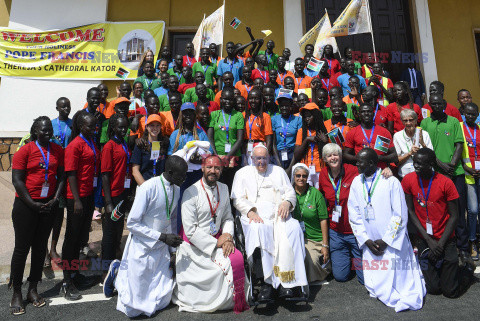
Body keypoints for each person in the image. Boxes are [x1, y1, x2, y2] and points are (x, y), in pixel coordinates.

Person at [102, 156, 188, 317]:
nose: (185, 178)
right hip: (143, 245)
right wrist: (162, 237)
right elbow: (132, 224)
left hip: (161, 248)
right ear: (170, 172)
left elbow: (172, 219)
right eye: (182, 175)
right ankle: (117, 274)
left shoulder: (176, 189)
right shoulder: (148, 188)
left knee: (164, 298)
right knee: (134, 308)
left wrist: (172, 248)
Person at [348, 148, 426, 311]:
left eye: (360, 161)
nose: (357, 164)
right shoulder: (356, 182)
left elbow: (399, 214)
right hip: (370, 241)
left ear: (371, 163)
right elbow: (353, 213)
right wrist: (366, 240)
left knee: (398, 278)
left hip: (390, 242)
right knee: (373, 281)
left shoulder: (390, 181)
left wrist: (386, 240)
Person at [231, 144, 308, 302]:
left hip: (278, 215)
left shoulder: (278, 171)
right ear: (252, 159)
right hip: (255, 215)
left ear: (269, 158)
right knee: (259, 229)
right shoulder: (242, 173)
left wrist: (287, 202)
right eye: (258, 158)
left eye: (264, 158)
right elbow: (237, 198)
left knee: (293, 228)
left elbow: (290, 192)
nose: (261, 161)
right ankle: (267, 283)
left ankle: (289, 283)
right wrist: (250, 211)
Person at [173, 155, 249, 313]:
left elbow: (228, 217)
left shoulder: (224, 188)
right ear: (202, 168)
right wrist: (216, 243)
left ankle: (234, 299)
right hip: (194, 246)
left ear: (221, 170)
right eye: (209, 167)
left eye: (217, 168)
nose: (212, 171)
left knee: (236, 259)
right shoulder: (190, 192)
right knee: (222, 267)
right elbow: (190, 230)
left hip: (220, 239)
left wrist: (227, 237)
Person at [10, 116, 65, 315]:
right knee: (21, 249)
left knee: (40, 247)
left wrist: (56, 198)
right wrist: (32, 203)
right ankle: (16, 292)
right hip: (26, 206)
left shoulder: (58, 150)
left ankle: (33, 289)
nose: (48, 133)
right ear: (35, 131)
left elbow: (61, 177)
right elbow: (17, 180)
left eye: (50, 129)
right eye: (44, 130)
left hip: (47, 205)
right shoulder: (25, 150)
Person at [402, 148, 473, 297]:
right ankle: (442, 269)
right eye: (415, 163)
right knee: (434, 289)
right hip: (424, 238)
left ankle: (466, 271)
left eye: (420, 164)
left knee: (450, 292)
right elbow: (410, 211)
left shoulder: (446, 183)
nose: (416, 166)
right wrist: (428, 240)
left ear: (432, 164)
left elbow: (454, 216)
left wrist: (440, 244)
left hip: (446, 239)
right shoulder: (408, 180)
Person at [420, 93, 472, 266]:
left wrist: (451, 165)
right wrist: (440, 165)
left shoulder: (453, 122)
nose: (436, 105)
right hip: (435, 173)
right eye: (432, 103)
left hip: (455, 173)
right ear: (429, 105)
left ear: (444, 103)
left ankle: (464, 249)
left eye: (439, 102)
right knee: (441, 213)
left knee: (459, 211)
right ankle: (445, 247)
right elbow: (425, 147)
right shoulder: (425, 123)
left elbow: (459, 144)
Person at [62, 112, 100, 300]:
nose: (93, 129)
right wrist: (76, 199)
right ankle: (67, 280)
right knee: (72, 238)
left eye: (95, 126)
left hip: (88, 195)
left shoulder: (91, 141)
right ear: (80, 126)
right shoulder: (75, 145)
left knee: (81, 238)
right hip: (76, 198)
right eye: (89, 127)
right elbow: (70, 174)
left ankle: (76, 274)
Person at [318, 144, 364, 284]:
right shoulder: (323, 174)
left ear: (341, 156)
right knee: (341, 276)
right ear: (325, 159)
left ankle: (355, 259)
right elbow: (323, 200)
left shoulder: (353, 171)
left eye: (335, 154)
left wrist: (385, 170)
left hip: (354, 231)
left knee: (365, 280)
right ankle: (348, 259)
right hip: (336, 232)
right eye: (329, 155)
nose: (333, 158)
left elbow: (371, 175)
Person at [101, 114, 132, 279]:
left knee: (118, 231)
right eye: (120, 127)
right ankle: (105, 271)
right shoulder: (109, 146)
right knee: (109, 235)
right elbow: (105, 175)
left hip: (122, 193)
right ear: (113, 127)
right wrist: (108, 202)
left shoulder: (124, 143)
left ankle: (113, 265)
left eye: (125, 126)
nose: (123, 129)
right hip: (112, 195)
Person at [291, 163, 330, 283]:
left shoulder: (315, 194)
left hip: (313, 239)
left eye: (304, 176)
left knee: (310, 260)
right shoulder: (289, 192)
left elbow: (323, 219)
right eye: (298, 175)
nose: (301, 178)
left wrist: (325, 245)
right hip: (295, 238)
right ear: (293, 176)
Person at [208, 88, 245, 189]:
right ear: (221, 100)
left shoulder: (238, 116)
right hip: (217, 156)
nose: (228, 102)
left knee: (232, 186)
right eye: (225, 99)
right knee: (216, 186)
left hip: (233, 157)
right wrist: (216, 155)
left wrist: (227, 157)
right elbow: (210, 137)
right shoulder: (214, 115)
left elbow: (240, 139)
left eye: (230, 99)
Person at [344, 103, 397, 169]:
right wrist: (358, 158)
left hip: (380, 170)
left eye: (369, 111)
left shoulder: (383, 132)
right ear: (359, 114)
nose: (366, 113)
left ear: (373, 113)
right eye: (363, 112)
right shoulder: (352, 132)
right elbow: (346, 154)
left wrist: (381, 158)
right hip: (361, 170)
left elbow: (394, 155)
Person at [460, 103, 480, 260]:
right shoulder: (459, 127)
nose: (471, 117)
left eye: (474, 114)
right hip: (468, 175)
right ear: (464, 113)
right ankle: (472, 240)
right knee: (472, 211)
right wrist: (465, 168)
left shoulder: (479, 128)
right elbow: (457, 150)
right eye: (468, 114)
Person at [294, 103, 328, 188]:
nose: (306, 119)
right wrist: (306, 140)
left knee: (319, 195)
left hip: (320, 169)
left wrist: (326, 142)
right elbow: (296, 155)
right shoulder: (301, 131)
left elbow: (331, 154)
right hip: (305, 170)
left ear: (316, 116)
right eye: (305, 117)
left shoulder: (324, 130)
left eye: (309, 116)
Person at [393, 109, 433, 179]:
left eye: (411, 120)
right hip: (405, 175)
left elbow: (432, 157)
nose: (408, 123)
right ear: (402, 121)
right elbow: (397, 161)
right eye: (405, 120)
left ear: (415, 120)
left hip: (424, 173)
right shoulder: (397, 136)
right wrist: (410, 153)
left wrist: (422, 144)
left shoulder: (424, 134)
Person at [131, 114, 168, 185]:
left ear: (161, 127)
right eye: (152, 125)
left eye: (157, 125)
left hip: (160, 185)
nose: (155, 128)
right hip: (144, 184)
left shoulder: (164, 143)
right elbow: (135, 171)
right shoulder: (140, 144)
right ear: (147, 127)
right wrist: (145, 188)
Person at [272, 92, 302, 171]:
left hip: (292, 155)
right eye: (282, 106)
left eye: (287, 106)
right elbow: (273, 144)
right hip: (278, 155)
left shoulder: (298, 120)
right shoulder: (274, 119)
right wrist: (279, 164)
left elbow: (298, 144)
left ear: (291, 107)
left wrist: (290, 167)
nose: (284, 108)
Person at [243, 88, 274, 163]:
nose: (253, 101)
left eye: (256, 98)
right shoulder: (243, 115)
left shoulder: (265, 116)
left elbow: (269, 138)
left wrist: (266, 154)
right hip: (246, 147)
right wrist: (243, 155)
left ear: (261, 100)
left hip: (260, 147)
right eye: (251, 98)